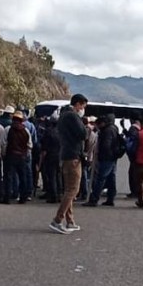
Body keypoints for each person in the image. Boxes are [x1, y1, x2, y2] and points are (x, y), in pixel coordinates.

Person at [49, 93, 88, 234]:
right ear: (77, 104)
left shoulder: (63, 116)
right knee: (73, 189)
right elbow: (83, 134)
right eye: (83, 106)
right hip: (73, 156)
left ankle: (70, 221)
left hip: (65, 154)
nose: (83, 109)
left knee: (68, 189)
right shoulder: (73, 116)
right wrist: (84, 122)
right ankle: (57, 220)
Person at [84, 113, 120, 207]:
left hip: (106, 158)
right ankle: (110, 198)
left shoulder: (107, 131)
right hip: (113, 157)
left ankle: (94, 199)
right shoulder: (114, 128)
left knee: (100, 178)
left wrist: (101, 155)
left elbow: (106, 145)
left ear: (102, 123)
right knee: (111, 179)